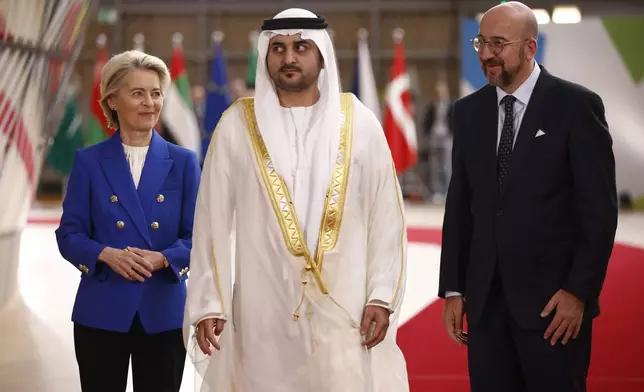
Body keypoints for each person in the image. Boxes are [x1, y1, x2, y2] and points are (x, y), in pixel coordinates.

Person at [184, 8, 409, 392]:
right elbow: (211, 220)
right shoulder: (237, 125)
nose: (289, 57)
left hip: (345, 307)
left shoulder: (359, 121)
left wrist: (382, 295)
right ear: (265, 56)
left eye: (301, 47)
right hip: (262, 308)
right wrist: (209, 301)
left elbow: (385, 216)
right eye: (278, 48)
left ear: (321, 55)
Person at [438, 2, 618, 392]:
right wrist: (453, 288)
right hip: (485, 308)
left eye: (498, 43)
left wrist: (578, 292)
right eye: (481, 42)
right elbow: (460, 206)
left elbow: (598, 212)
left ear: (530, 48)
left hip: (554, 307)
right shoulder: (468, 113)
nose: (486, 54)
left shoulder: (576, 106)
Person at [55, 49, 201, 392]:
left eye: (156, 93)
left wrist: (164, 257)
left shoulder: (183, 161)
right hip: (102, 309)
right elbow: (69, 234)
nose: (150, 102)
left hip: (163, 310)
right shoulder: (89, 162)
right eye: (138, 93)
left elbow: (200, 236)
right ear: (112, 101)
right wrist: (106, 253)